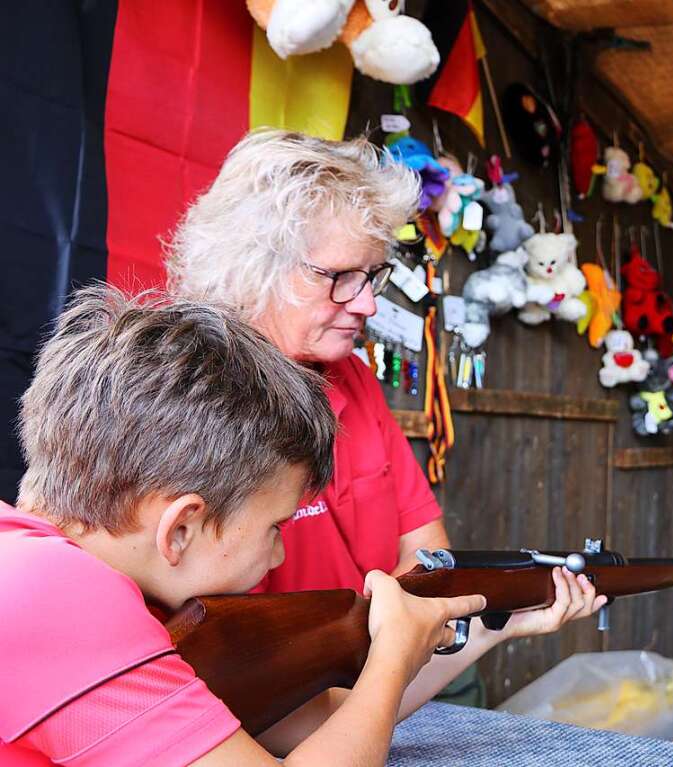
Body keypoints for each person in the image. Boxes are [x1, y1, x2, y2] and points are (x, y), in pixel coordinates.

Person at [166, 130, 607, 712]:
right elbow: (240, 677)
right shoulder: (180, 408)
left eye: (371, 276)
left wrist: (489, 622)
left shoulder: (352, 378)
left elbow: (430, 562)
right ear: (252, 266)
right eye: (339, 277)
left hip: (387, 685)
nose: (369, 304)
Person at [0, 286, 486, 767]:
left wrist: (482, 629)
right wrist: (391, 656)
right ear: (180, 529)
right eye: (276, 527)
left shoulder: (60, 571)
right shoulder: (60, 597)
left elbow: (315, 723)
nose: (278, 555)